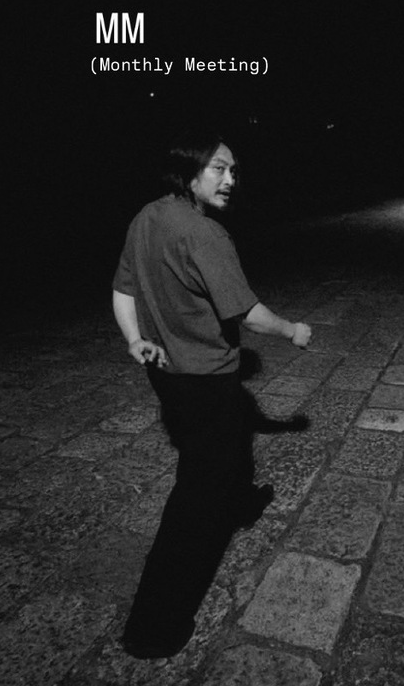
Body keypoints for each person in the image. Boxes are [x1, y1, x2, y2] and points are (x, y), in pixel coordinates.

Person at [112, 130, 312, 658]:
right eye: (219, 168)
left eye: (234, 170)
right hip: (207, 382)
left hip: (168, 377)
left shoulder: (146, 217)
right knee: (194, 503)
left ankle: (241, 504)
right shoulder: (205, 233)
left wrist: (134, 340)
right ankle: (153, 627)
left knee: (224, 457)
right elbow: (249, 314)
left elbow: (122, 289)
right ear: (189, 170)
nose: (230, 179)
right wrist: (293, 330)